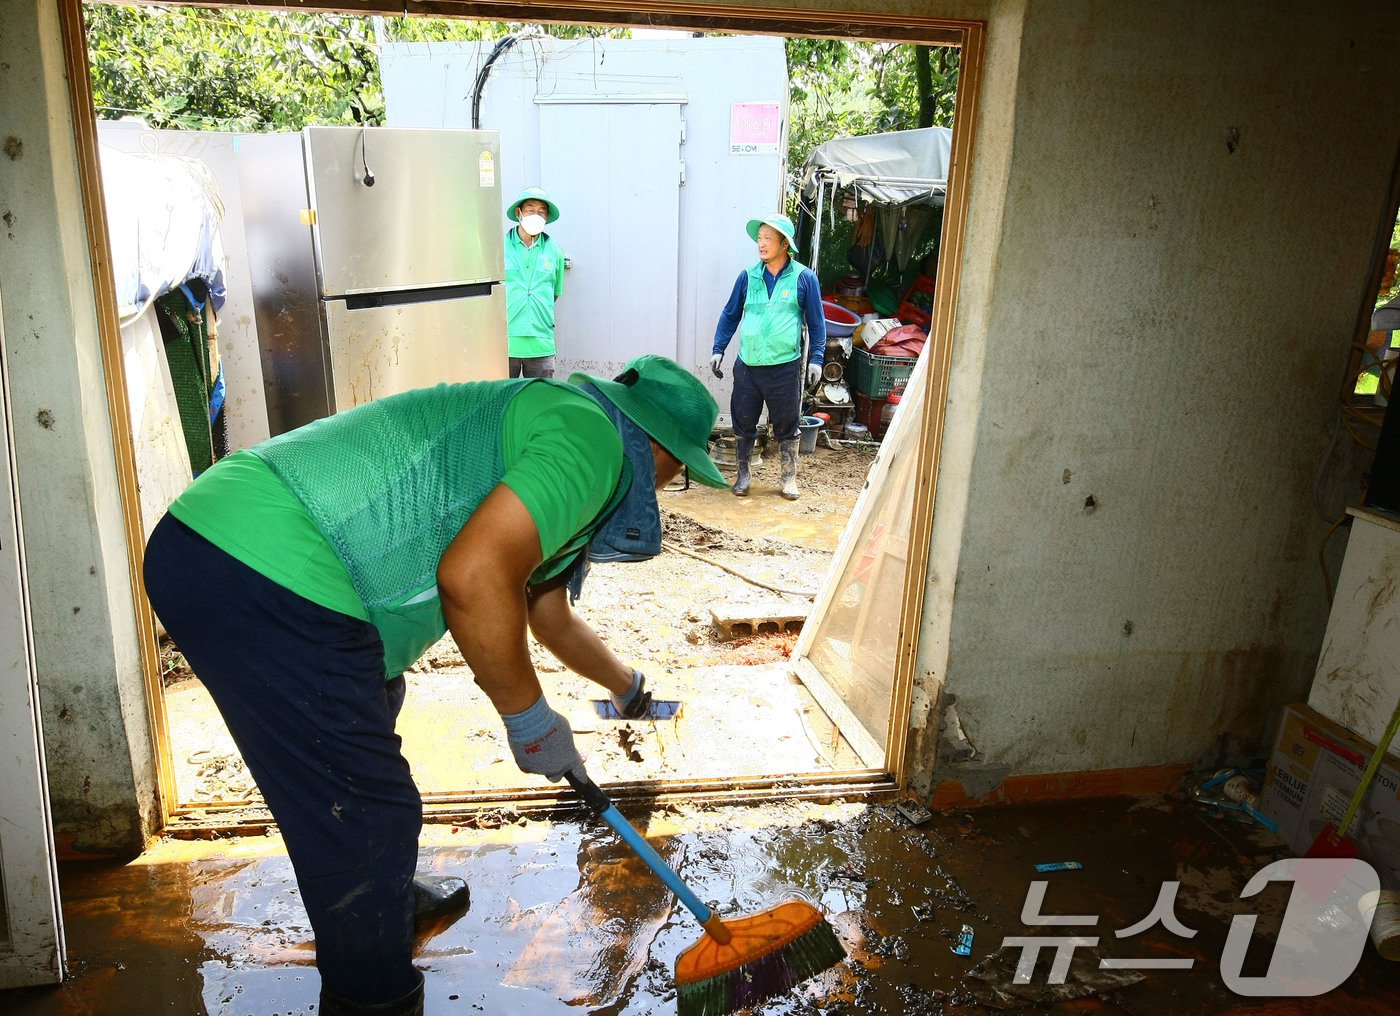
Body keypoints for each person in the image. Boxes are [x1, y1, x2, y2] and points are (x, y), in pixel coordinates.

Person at [142, 355, 726, 1016]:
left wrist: (628, 688)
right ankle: (375, 990)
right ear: (657, 449)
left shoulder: (570, 428)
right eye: (680, 470)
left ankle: (382, 896)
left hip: (227, 536)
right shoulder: (591, 441)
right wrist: (529, 720)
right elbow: (474, 576)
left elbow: (548, 614)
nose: (668, 486)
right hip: (258, 557)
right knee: (367, 810)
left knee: (371, 710)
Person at [710, 212, 827, 500]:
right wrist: (718, 348)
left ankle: (788, 478)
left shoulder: (804, 278)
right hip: (748, 366)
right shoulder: (747, 277)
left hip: (784, 367)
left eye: (768, 239)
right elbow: (730, 314)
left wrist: (816, 358)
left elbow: (817, 323)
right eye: (759, 238)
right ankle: (743, 475)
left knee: (787, 424)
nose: (761, 244)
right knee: (743, 421)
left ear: (784, 243)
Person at [504, 186, 567, 378]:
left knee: (541, 395)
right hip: (504, 342)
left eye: (541, 212)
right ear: (519, 213)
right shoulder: (500, 247)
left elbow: (554, 293)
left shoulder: (554, 250)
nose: (536, 215)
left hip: (541, 344)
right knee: (502, 396)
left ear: (547, 217)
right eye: (530, 210)